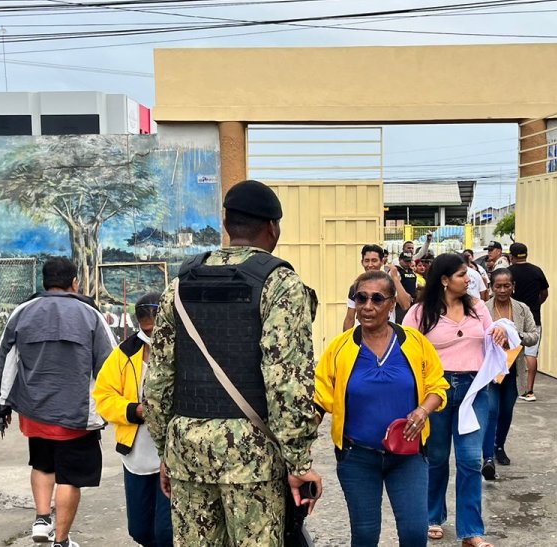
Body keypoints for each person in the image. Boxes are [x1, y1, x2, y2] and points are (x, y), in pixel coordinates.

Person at [144, 180, 323, 546]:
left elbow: (158, 379)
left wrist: (166, 451)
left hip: (187, 451)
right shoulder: (279, 284)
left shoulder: (180, 284)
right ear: (273, 227)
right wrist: (299, 463)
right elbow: (287, 383)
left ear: (226, 223)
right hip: (252, 458)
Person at [0, 257, 116, 547]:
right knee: (70, 477)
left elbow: (5, 361)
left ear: (44, 283)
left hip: (34, 413)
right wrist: (116, 409)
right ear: (74, 283)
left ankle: (42, 518)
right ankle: (61, 541)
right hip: (77, 415)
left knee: (43, 464)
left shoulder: (22, 312)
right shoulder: (90, 315)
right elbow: (110, 365)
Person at [316, 269, 449, 547]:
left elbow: (438, 386)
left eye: (377, 299)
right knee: (364, 536)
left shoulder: (414, 343)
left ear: (391, 304)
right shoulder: (340, 348)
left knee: (414, 534)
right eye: (361, 298)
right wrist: (298, 448)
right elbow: (319, 398)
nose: (367, 306)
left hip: (409, 456)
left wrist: (423, 410)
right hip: (357, 458)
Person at [403, 253, 509, 547]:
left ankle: (471, 531)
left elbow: (491, 336)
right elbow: (409, 353)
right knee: (436, 458)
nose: (469, 279)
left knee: (471, 460)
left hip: (474, 390)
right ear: (445, 280)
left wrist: (499, 332)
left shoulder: (477, 308)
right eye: (462, 274)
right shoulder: (420, 313)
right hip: (436, 391)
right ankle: (433, 517)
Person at [93, 293, 174, 546]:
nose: (152, 334)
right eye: (146, 329)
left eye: (156, 328)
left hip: (172, 454)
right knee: (139, 530)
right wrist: (133, 410)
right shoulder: (124, 354)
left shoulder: (184, 350)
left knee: (166, 532)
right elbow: (103, 396)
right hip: (137, 456)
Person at [481, 268, 541, 476]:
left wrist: (516, 336)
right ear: (491, 287)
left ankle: (499, 446)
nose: (503, 290)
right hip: (491, 372)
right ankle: (487, 457)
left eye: (507, 285)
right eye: (498, 286)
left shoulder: (522, 309)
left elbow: (534, 335)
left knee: (506, 412)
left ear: (513, 287)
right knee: (490, 411)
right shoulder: (483, 310)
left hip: (513, 371)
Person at [507, 242, 548, 402]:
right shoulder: (537, 271)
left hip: (512, 318)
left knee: (509, 352)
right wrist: (535, 306)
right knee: (531, 353)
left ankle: (509, 387)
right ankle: (528, 391)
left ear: (511, 256)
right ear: (526, 254)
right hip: (533, 317)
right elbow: (544, 293)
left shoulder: (508, 273)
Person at [344, 244, 412, 331]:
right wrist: (345, 341)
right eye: (367, 261)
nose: (370, 265)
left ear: (382, 261)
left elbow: (405, 305)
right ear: (362, 262)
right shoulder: (356, 287)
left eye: (374, 260)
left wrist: (395, 278)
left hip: (386, 336)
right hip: (362, 337)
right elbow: (349, 318)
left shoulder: (390, 284)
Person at [395, 252, 419, 321]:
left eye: (409, 261)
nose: (408, 263)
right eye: (405, 261)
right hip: (400, 304)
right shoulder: (396, 271)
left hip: (412, 302)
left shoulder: (412, 271)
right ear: (399, 260)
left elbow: (415, 286)